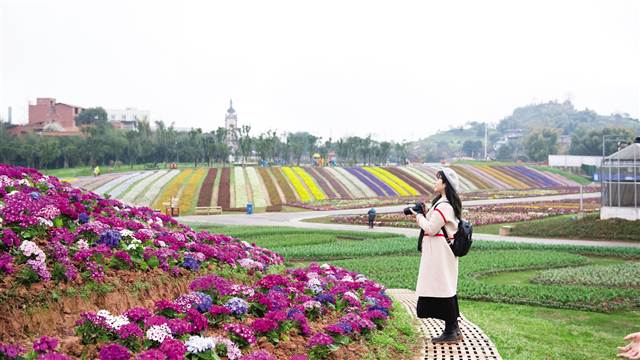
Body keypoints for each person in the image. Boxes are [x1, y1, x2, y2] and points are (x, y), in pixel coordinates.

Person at [408, 167, 463, 344]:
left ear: (445, 183)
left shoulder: (444, 206)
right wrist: (424, 211)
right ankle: (453, 330)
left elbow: (431, 228)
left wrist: (418, 216)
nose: (435, 181)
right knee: (445, 288)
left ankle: (451, 331)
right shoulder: (442, 204)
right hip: (440, 253)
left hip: (440, 254)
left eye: (438, 179)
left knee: (443, 289)